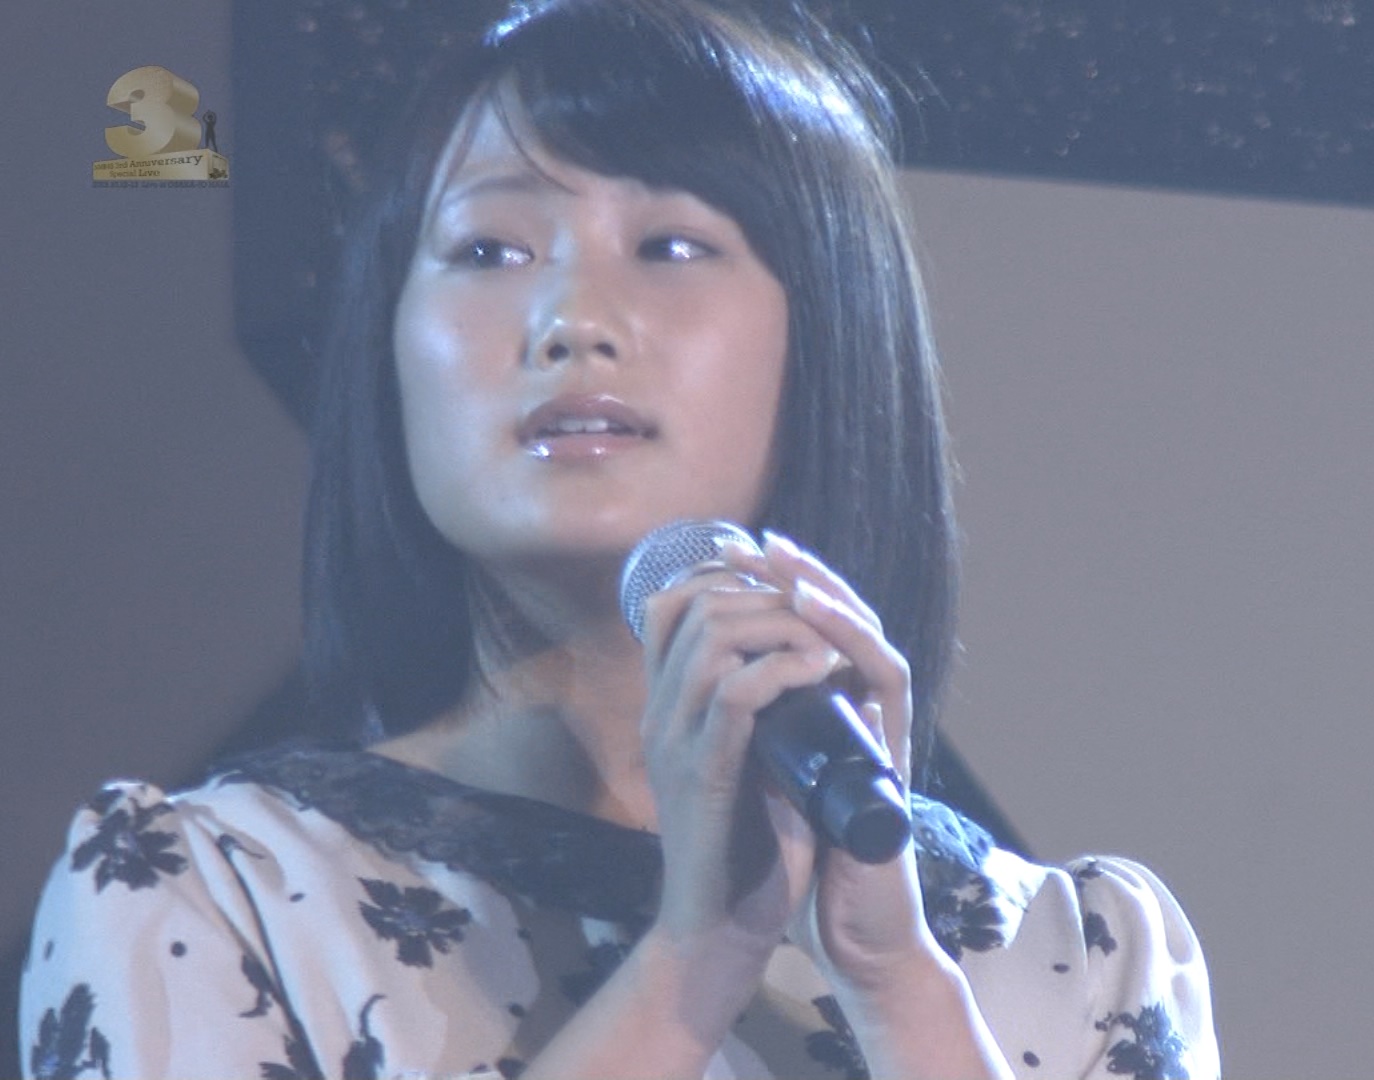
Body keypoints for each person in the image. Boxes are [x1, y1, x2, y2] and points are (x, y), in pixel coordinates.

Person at [18, 1, 1218, 1076]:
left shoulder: (1084, 957)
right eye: (489, 251)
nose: (570, 319)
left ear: (832, 335)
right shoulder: (208, 893)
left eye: (670, 247)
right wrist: (693, 962)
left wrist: (900, 988)